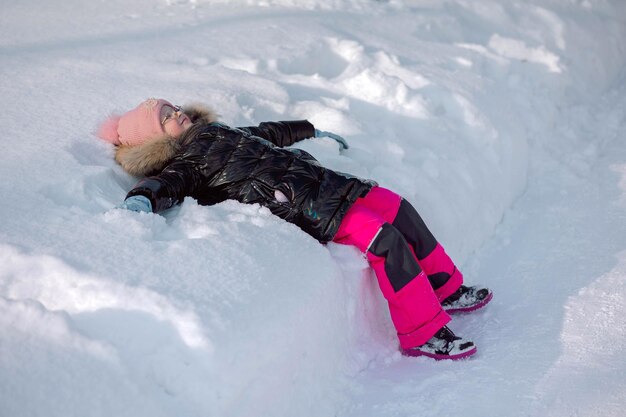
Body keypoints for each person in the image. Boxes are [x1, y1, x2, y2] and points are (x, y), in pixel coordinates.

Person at [97, 98, 493, 360]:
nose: (176, 113)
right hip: (307, 205)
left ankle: (446, 286)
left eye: (173, 107)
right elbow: (165, 186)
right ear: (152, 140)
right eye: (164, 118)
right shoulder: (185, 164)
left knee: (398, 209)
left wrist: (308, 129)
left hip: (326, 182)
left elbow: (269, 133)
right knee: (383, 239)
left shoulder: (221, 132)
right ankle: (422, 331)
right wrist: (143, 198)